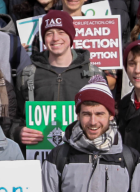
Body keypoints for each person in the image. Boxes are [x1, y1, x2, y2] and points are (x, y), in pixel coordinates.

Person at [17, 11, 104, 149]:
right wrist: (18, 132)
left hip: (80, 155)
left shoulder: (93, 74)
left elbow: (104, 118)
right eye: (49, 33)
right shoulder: (28, 74)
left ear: (71, 36)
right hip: (40, 154)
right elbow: (16, 116)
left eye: (61, 32)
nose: (55, 38)